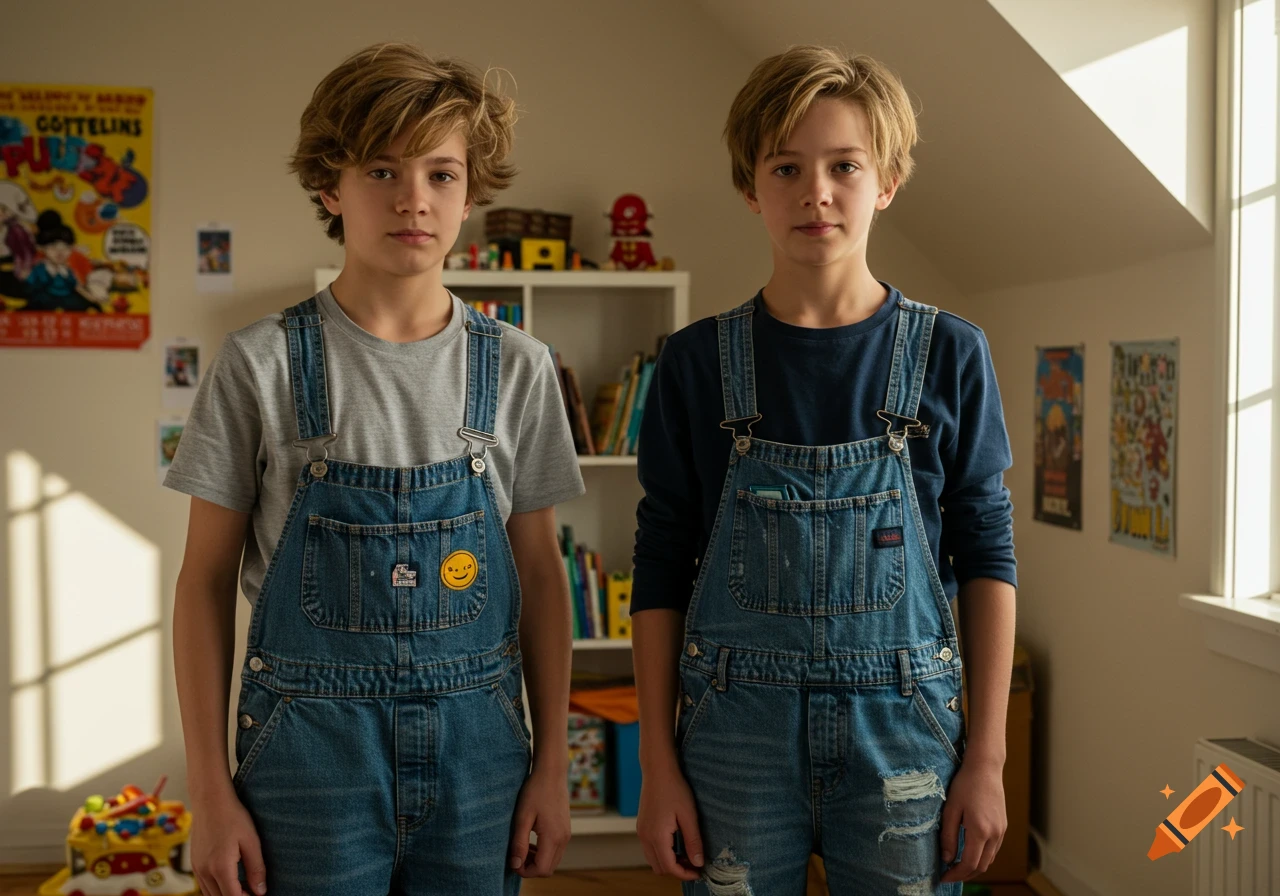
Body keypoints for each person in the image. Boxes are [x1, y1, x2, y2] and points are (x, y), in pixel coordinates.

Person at [165, 42, 583, 896]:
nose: (413, 201)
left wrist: (550, 770)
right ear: (330, 184)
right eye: (383, 170)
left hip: (482, 763)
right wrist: (209, 791)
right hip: (305, 763)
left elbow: (540, 577)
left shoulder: (520, 367)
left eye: (441, 173)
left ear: (470, 193)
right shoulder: (258, 365)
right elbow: (202, 583)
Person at [631, 45, 1018, 895]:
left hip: (906, 733)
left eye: (845, 165)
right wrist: (657, 763)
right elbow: (660, 565)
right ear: (750, 186)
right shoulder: (696, 364)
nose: (817, 191)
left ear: (887, 181)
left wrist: (986, 759)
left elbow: (988, 553)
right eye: (786, 167)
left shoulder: (951, 354)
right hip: (733, 736)